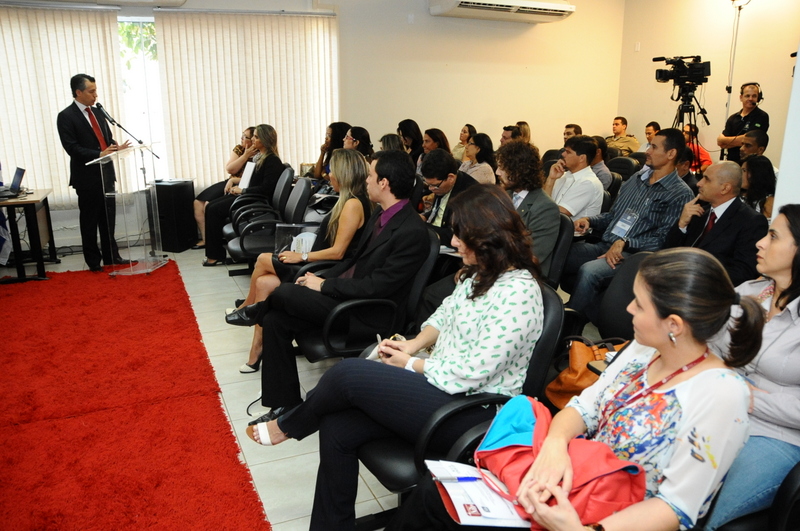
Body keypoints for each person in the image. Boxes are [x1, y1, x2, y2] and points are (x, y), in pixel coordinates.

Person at [387, 247, 764, 531]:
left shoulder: (721, 394)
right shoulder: (645, 347)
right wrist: (554, 449)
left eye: (640, 304)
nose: (629, 310)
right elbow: (583, 408)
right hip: (574, 483)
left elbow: (676, 507)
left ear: (674, 325)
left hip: (609, 517)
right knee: (434, 495)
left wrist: (580, 529)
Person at [246, 184, 546, 531]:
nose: (454, 242)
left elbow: (471, 373)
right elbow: (443, 315)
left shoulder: (519, 293)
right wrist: (412, 345)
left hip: (473, 411)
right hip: (441, 387)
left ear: (488, 238)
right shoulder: (481, 275)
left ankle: (289, 426)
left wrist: (411, 364)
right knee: (337, 426)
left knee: (347, 375)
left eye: (461, 236)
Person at [247, 149, 429, 418]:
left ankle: (254, 312)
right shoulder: (381, 215)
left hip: (368, 312)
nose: (366, 180)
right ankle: (284, 404)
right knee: (275, 319)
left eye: (370, 176)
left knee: (283, 291)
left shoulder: (411, 231)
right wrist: (322, 280)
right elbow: (353, 262)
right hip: (347, 299)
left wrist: (324, 287)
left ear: (384, 183)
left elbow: (376, 287)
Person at [225, 149, 373, 373]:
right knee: (265, 283)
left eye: (332, 171)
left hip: (325, 269)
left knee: (264, 259)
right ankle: (257, 348)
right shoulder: (347, 200)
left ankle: (248, 309)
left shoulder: (353, 204)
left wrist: (302, 256)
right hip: (319, 262)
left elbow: (338, 253)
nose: (328, 175)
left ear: (343, 173)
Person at [703, 205, 800, 530]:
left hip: (778, 436)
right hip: (719, 410)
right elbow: (707, 344)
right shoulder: (749, 292)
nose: (760, 243)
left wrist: (743, 394)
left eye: (773, 236)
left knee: (706, 514)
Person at [415, 140, 559, 328]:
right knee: (429, 292)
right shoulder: (503, 195)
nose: (498, 172)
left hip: (515, 279)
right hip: (488, 267)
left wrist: (478, 268)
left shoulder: (545, 208)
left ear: (520, 169)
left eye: (503, 168)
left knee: (433, 297)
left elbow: (530, 256)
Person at [563, 128, 694, 323]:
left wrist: (626, 242)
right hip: (605, 245)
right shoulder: (636, 179)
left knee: (590, 271)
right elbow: (613, 216)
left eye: (654, 147)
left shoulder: (680, 194)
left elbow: (663, 240)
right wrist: (590, 220)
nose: (647, 151)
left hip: (633, 257)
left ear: (671, 154)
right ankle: (550, 308)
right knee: (559, 254)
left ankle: (569, 326)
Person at [57, 73, 133, 272]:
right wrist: (99, 154)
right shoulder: (66, 116)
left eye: (96, 90)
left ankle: (111, 257)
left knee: (108, 219)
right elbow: (71, 147)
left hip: (106, 174)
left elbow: (106, 139)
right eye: (91, 91)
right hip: (86, 178)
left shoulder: (98, 112)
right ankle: (93, 262)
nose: (95, 95)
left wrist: (116, 147)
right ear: (78, 92)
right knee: (90, 221)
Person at [665, 161, 767, 286]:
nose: (699, 183)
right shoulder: (699, 213)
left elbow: (743, 272)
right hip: (676, 281)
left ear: (725, 188)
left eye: (707, 179)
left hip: (709, 288)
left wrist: (695, 278)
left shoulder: (751, 221)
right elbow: (667, 252)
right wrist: (681, 224)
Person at [202, 124, 285, 266]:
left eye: (256, 137)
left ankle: (214, 256)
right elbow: (251, 180)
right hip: (249, 195)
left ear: (265, 140)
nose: (252, 139)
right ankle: (214, 254)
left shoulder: (272, 160)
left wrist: (243, 191)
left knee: (214, 210)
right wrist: (236, 184)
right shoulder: (259, 157)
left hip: (255, 200)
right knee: (210, 206)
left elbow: (266, 189)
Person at [193, 126, 257, 249]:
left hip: (242, 185)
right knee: (198, 202)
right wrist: (245, 156)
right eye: (242, 135)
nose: (242, 138)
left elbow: (253, 179)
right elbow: (230, 169)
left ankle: (215, 240)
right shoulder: (239, 149)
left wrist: (234, 180)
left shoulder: (260, 153)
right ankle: (206, 240)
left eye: (245, 137)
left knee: (209, 206)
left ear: (253, 140)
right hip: (230, 181)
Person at [421, 149, 478, 244]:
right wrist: (425, 216)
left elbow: (455, 236)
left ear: (450, 178)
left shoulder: (469, 196)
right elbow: (441, 212)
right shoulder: (443, 184)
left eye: (434, 185)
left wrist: (421, 227)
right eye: (429, 185)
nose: (431, 189)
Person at [543, 135, 603, 221]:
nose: (563, 154)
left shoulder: (588, 183)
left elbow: (557, 213)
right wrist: (551, 179)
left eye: (568, 152)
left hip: (567, 229)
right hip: (550, 225)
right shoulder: (563, 175)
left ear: (582, 158)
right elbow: (542, 202)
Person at [717, 82, 769, 164]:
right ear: (741, 98)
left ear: (758, 98)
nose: (750, 99)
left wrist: (724, 139)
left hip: (751, 163)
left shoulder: (762, 116)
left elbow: (751, 140)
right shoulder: (732, 118)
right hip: (732, 163)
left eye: (754, 96)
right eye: (747, 96)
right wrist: (729, 141)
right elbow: (721, 144)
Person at [740, 155, 777, 219]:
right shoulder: (737, 195)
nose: (740, 174)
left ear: (757, 174)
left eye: (744, 170)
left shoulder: (769, 203)